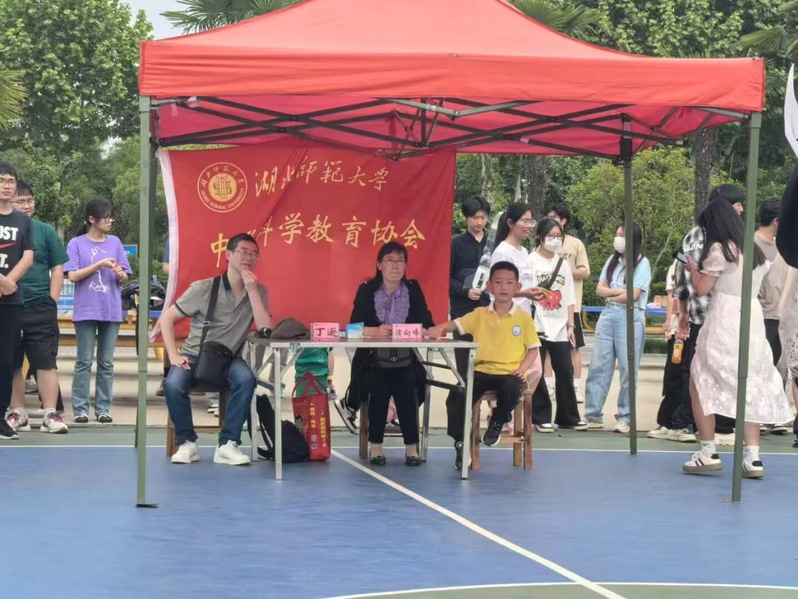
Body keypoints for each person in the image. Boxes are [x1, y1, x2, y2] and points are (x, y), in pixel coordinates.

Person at [682, 199, 792, 478]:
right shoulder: (754, 251)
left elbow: (702, 287)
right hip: (752, 317)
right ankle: (752, 457)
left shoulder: (720, 250)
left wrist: (693, 269)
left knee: (700, 377)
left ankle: (707, 451)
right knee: (750, 382)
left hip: (725, 315)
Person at [161, 232, 271, 465]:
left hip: (230, 357)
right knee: (173, 384)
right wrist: (173, 355)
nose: (249, 257)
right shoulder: (204, 288)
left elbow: (265, 329)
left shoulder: (259, 291)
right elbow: (167, 319)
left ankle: (228, 444)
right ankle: (187, 443)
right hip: (194, 354)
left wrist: (252, 292)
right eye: (243, 252)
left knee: (246, 380)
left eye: (254, 254)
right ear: (228, 255)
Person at [430, 261, 542, 469]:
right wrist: (438, 329)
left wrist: (523, 369)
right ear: (489, 286)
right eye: (498, 282)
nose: (503, 287)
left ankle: (497, 421)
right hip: (481, 371)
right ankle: (460, 443)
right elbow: (456, 324)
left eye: (509, 283)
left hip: (510, 372)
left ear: (517, 287)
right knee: (457, 394)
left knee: (512, 388)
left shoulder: (524, 319)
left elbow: (533, 349)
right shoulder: (480, 314)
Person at [346, 241, 434, 466]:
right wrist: (374, 331)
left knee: (406, 381)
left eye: (400, 261)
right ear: (379, 265)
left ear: (405, 266)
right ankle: (376, 445)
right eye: (389, 260)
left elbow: (428, 325)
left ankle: (411, 447)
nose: (395, 266)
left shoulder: (413, 289)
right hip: (372, 359)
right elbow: (352, 329)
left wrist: (416, 331)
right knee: (380, 381)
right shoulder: (367, 290)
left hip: (405, 359)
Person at [673, 185, 746, 445]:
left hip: (706, 314)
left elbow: (682, 276)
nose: (741, 209)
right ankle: (717, 426)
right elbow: (693, 279)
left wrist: (683, 310)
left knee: (699, 372)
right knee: (714, 372)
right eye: (738, 204)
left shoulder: (696, 236)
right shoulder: (719, 238)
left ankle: (696, 425)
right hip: (715, 315)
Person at [6, 181, 69, 434]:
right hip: (8, 304)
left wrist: (52, 300)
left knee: (46, 361)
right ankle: (17, 412)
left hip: (40, 304)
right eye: (21, 201)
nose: (26, 205)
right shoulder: (4, 229)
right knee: (11, 361)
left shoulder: (45, 231)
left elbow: (57, 267)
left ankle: (50, 413)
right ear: (9, 202)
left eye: (29, 200)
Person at [64, 199, 132, 424]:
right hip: (85, 309)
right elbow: (72, 275)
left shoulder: (115, 242)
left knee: (106, 363)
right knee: (84, 361)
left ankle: (103, 408)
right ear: (92, 219)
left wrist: (121, 274)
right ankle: (81, 409)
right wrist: (98, 265)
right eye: (106, 217)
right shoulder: (76, 243)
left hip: (110, 310)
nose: (110, 221)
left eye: (112, 216)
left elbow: (125, 275)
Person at [583, 223, 651, 434]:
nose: (618, 239)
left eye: (622, 235)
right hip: (609, 314)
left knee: (628, 369)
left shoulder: (642, 263)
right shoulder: (612, 261)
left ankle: (626, 417)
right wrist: (618, 293)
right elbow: (599, 289)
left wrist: (612, 293)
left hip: (630, 316)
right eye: (617, 234)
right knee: (598, 366)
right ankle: (592, 414)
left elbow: (634, 295)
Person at [528, 218, 587, 432]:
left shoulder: (562, 264)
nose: (554, 240)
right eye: (550, 236)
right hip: (537, 323)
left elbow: (569, 296)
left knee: (564, 369)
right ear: (540, 237)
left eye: (558, 236)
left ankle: (568, 416)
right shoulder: (531, 260)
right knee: (537, 370)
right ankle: (540, 416)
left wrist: (571, 325)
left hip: (560, 325)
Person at [444, 196, 491, 451]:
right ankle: (462, 433)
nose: (479, 221)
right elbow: (445, 278)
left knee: (490, 368)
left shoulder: (494, 245)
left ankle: (492, 420)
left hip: (490, 316)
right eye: (475, 217)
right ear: (466, 218)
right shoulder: (455, 245)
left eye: (483, 217)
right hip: (463, 315)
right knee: (464, 373)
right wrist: (465, 291)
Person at [0, 162, 35, 441]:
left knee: (6, 361)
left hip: (11, 301)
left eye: (10, 180)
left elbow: (28, 256)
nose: (6, 185)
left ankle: (1, 417)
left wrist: (9, 282)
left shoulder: (23, 221)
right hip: (5, 288)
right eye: (2, 180)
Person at [545, 203, 590, 403]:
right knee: (546, 347)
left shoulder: (575, 244)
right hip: (547, 308)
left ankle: (575, 387)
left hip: (572, 306)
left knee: (573, 348)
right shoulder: (542, 244)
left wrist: (563, 271)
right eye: (548, 217)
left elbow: (585, 271)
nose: (551, 221)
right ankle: (548, 385)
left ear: (563, 221)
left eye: (554, 217)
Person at [647, 260, 684, 440]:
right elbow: (672, 294)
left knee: (690, 376)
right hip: (679, 325)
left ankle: (686, 423)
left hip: (702, 323)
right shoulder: (677, 265)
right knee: (674, 372)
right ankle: (668, 421)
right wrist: (670, 320)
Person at [489, 202, 538, 316]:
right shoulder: (502, 252)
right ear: (510, 223)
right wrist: (525, 293)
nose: (529, 225)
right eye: (525, 221)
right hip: (505, 315)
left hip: (523, 314)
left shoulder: (524, 252)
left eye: (531, 221)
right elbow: (498, 290)